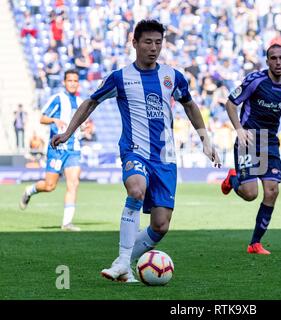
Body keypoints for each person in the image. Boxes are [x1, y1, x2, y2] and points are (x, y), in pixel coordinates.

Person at [50, 20, 221, 282]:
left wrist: (205, 140)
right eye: (148, 42)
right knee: (136, 189)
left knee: (160, 225)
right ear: (135, 43)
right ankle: (121, 260)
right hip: (134, 151)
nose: (153, 48)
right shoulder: (120, 78)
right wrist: (68, 133)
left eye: (158, 42)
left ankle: (124, 264)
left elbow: (190, 106)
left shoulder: (172, 76)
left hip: (165, 159)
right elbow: (90, 102)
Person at [221, 44, 281, 255]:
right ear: (267, 62)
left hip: (270, 142)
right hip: (248, 139)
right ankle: (232, 179)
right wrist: (238, 129)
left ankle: (254, 243)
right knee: (250, 194)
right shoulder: (255, 81)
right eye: (273, 58)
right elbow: (230, 103)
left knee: (272, 191)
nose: (277, 62)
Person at [19, 69, 83, 232]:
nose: (73, 83)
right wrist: (54, 119)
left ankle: (66, 223)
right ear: (64, 82)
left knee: (73, 183)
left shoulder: (81, 102)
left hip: (73, 149)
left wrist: (85, 128)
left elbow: (81, 125)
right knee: (49, 186)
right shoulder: (58, 99)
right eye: (70, 80)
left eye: (75, 81)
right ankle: (29, 191)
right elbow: (42, 118)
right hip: (57, 149)